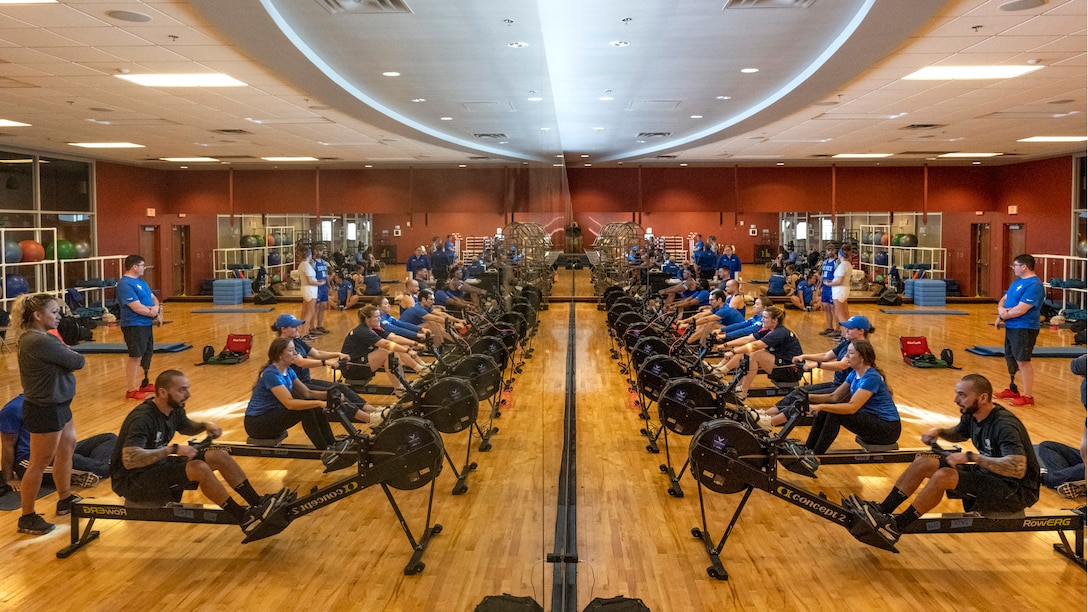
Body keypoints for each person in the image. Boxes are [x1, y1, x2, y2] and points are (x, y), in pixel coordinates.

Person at [848, 374, 1040, 547]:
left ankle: (896, 527)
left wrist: (972, 457)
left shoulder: (1004, 425)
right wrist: (939, 432)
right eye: (957, 394)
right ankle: (883, 509)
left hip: (1016, 491)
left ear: (983, 398)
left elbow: (1017, 468)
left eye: (962, 395)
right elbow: (959, 433)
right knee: (925, 461)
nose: (956, 400)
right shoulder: (974, 415)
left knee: (944, 476)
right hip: (991, 476)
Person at [112, 370, 292, 538]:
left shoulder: (173, 408)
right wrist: (172, 450)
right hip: (133, 481)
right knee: (198, 468)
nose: (188, 394)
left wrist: (204, 426)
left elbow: (185, 426)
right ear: (163, 392)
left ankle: (257, 502)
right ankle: (243, 518)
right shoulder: (143, 419)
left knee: (217, 455)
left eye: (187, 388)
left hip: (155, 467)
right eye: (182, 390)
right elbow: (130, 460)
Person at [10, 293, 86, 535]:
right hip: (45, 408)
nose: (58, 316)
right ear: (38, 315)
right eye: (54, 312)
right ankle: (27, 516)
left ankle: (64, 498)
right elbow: (78, 361)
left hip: (60, 404)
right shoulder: (38, 341)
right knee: (38, 464)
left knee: (67, 447)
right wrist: (70, 352)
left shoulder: (44, 338)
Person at [270, 314, 382, 425]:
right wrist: (325, 362)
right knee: (335, 394)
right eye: (293, 327)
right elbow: (301, 362)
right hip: (297, 385)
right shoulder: (283, 347)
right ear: (283, 329)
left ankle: (373, 411)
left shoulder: (296, 341)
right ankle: (370, 419)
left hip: (306, 380)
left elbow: (317, 353)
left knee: (341, 387)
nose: (297, 328)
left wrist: (338, 354)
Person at [802, 339, 901, 455]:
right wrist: (806, 397)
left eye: (851, 353)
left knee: (834, 412)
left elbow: (851, 408)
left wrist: (820, 406)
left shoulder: (871, 377)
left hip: (887, 429)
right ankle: (807, 449)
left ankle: (815, 456)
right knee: (827, 409)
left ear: (862, 358)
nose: (846, 356)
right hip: (874, 421)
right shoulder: (854, 373)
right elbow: (834, 397)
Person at [2, 394, 114, 491]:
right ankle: (97, 468)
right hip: (30, 460)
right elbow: (7, 445)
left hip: (58, 450)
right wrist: (9, 479)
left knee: (108, 438)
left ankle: (86, 470)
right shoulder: (13, 409)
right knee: (94, 466)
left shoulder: (54, 402)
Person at [245, 338, 338, 449]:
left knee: (311, 404)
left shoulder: (288, 370)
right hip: (257, 424)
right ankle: (323, 449)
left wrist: (329, 395)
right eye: (291, 350)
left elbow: (307, 393)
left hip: (270, 416)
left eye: (295, 350)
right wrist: (318, 403)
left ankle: (332, 443)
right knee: (307, 408)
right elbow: (289, 404)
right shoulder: (271, 374)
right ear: (280, 355)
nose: (295, 353)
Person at [709, 305, 804, 402]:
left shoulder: (779, 332)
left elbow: (755, 345)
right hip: (782, 364)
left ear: (775, 320)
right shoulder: (769, 329)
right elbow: (748, 339)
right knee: (747, 350)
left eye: (766, 317)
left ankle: (742, 391)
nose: (762, 319)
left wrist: (732, 351)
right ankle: (731, 380)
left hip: (791, 371)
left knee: (756, 354)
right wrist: (726, 344)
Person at [342, 305, 431, 394]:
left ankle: (408, 379)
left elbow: (394, 338)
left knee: (395, 348)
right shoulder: (362, 331)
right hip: (352, 368)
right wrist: (408, 350)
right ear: (367, 319)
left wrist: (416, 344)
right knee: (386, 353)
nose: (379, 319)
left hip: (361, 362)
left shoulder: (373, 328)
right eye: (376, 316)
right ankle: (399, 389)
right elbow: (386, 344)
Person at [993, 253, 1044, 406]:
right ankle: (1013, 389)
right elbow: (1004, 300)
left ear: (1024, 267)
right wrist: (1001, 312)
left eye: (1015, 265)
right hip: (1012, 326)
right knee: (1011, 358)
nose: (1013, 268)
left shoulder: (1034, 285)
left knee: (1022, 361)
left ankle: (1028, 396)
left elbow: (1022, 309)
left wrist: (1003, 315)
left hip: (1025, 327)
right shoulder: (1017, 283)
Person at [117, 254, 162, 401]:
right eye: (142, 265)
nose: (144, 268)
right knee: (135, 356)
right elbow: (136, 307)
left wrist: (156, 309)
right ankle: (131, 390)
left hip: (146, 323)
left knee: (146, 354)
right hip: (134, 324)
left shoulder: (142, 282)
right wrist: (153, 312)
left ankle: (144, 383)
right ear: (135, 267)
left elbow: (153, 298)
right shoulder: (125, 284)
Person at [825, 244, 853, 338]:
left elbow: (839, 281)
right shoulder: (848, 264)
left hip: (839, 291)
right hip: (844, 290)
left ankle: (845, 334)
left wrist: (829, 284)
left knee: (839, 314)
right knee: (845, 313)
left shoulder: (842, 266)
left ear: (840, 255)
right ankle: (845, 333)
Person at [297, 246, 319, 341]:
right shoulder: (306, 265)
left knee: (305, 311)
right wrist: (320, 283)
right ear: (309, 255)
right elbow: (310, 281)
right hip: (310, 290)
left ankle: (302, 331)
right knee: (310, 312)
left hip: (306, 289)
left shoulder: (302, 265)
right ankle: (304, 333)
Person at [818, 243, 838, 336]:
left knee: (834, 308)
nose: (830, 252)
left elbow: (838, 275)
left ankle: (837, 329)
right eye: (828, 250)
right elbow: (822, 275)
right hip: (825, 287)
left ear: (835, 251)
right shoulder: (825, 262)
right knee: (826, 308)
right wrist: (819, 286)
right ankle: (829, 327)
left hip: (832, 287)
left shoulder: (836, 262)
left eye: (832, 250)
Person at [311, 243, 330, 336]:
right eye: (317, 250)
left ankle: (320, 325)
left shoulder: (323, 262)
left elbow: (326, 274)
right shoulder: (313, 262)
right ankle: (312, 327)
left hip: (324, 286)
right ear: (314, 251)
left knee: (323, 306)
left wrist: (329, 285)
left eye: (321, 251)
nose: (319, 252)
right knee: (316, 307)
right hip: (317, 286)